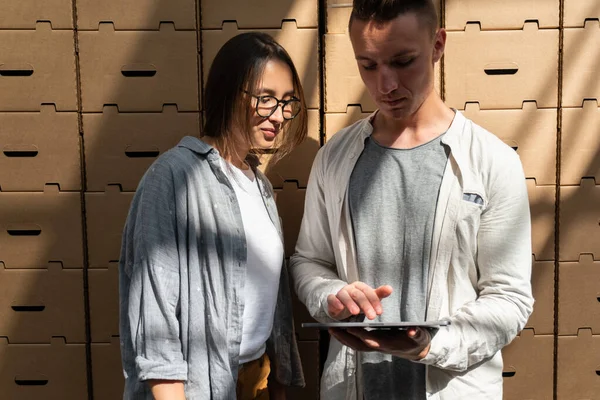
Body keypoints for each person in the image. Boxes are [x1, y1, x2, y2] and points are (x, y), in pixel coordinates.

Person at [290, 0, 534, 398]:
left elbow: (509, 298)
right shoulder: (334, 157)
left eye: (403, 62)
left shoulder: (492, 162)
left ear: (438, 45)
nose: (385, 85)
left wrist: (429, 345)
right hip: (352, 388)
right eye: (368, 65)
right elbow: (308, 261)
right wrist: (331, 295)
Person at [119, 32, 308, 400]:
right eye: (266, 99)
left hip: (256, 381)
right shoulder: (172, 178)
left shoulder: (261, 188)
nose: (280, 115)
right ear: (228, 94)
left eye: (287, 103)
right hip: (195, 388)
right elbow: (155, 316)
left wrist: (279, 382)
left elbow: (274, 306)